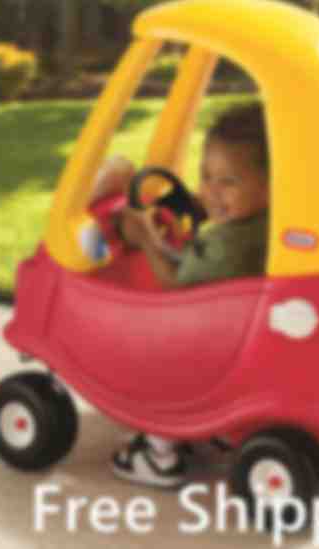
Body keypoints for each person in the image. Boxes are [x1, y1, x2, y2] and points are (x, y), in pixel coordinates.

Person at [96, 103, 270, 488]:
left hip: (209, 354)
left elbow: (178, 286)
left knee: (144, 351)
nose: (212, 192)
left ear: (268, 185)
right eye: (206, 177)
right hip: (247, 346)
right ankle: (218, 430)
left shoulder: (225, 247)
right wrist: (198, 203)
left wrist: (146, 238)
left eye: (228, 182)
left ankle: (158, 454)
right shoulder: (264, 225)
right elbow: (211, 221)